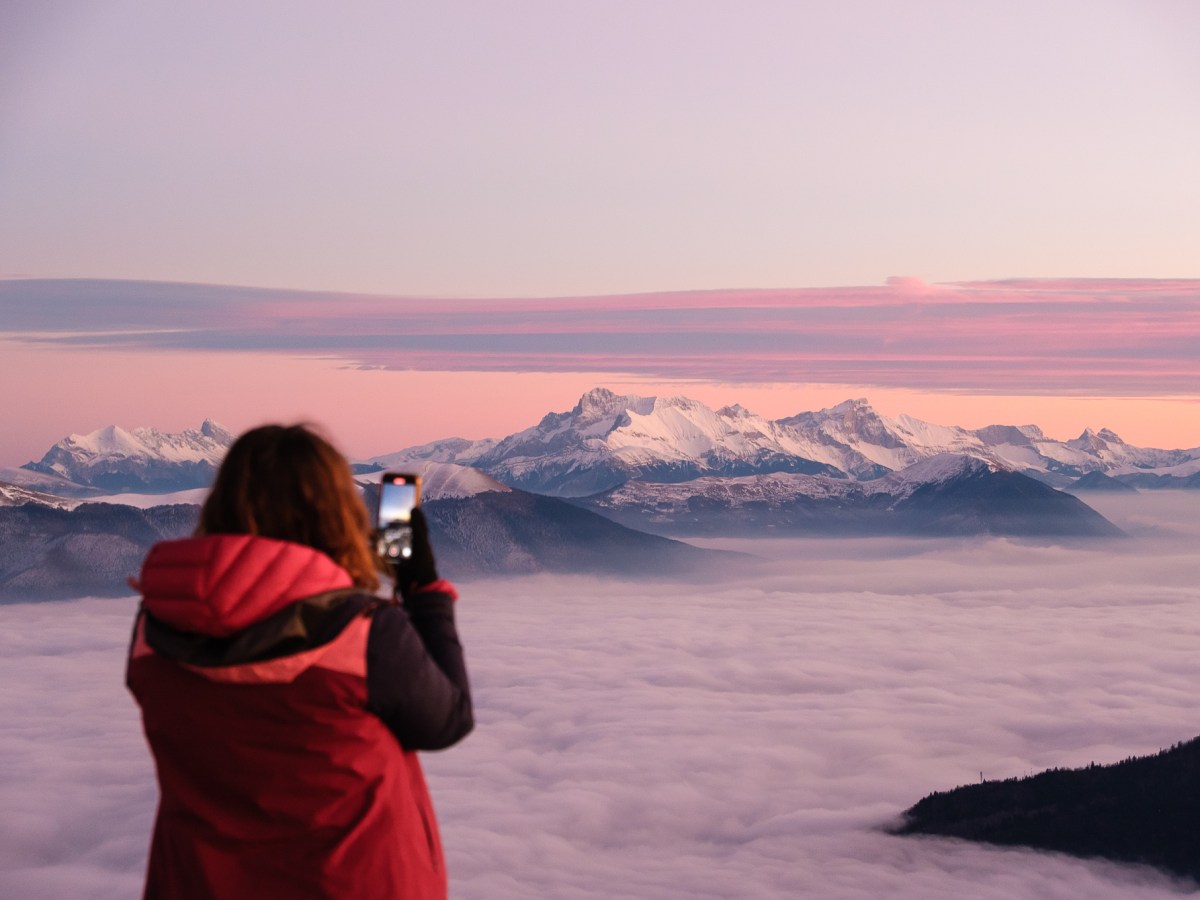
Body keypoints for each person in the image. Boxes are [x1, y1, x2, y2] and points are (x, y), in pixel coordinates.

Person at [126, 424, 473, 899]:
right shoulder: (362, 634)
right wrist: (423, 587)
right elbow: (447, 719)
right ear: (335, 514)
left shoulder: (153, 631)